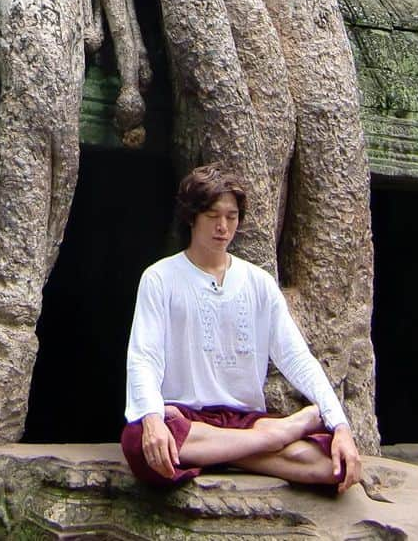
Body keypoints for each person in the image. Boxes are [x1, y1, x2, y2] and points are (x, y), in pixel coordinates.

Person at [121, 163, 362, 493]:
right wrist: (151, 420)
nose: (222, 227)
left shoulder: (259, 283)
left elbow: (297, 358)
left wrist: (341, 425)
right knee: (141, 441)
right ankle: (268, 440)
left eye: (231, 217)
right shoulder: (160, 278)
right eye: (212, 216)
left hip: (240, 419)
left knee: (333, 466)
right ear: (192, 216)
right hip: (186, 417)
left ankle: (224, 451)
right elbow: (144, 357)